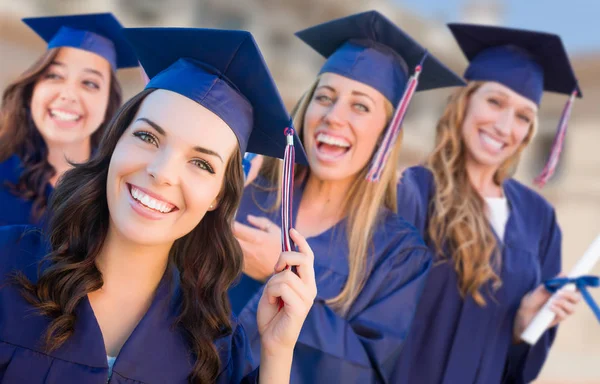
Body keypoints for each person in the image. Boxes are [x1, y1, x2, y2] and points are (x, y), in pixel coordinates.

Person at [0, 26, 316, 383]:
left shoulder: (215, 351)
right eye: (148, 137)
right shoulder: (7, 264)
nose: (162, 172)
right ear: (115, 141)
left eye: (202, 163)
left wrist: (278, 352)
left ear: (218, 197)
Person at [229, 11, 464, 383]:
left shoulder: (397, 253)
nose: (334, 117)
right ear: (306, 109)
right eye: (325, 97)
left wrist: (279, 276)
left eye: (360, 106)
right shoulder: (248, 190)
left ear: (386, 134)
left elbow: (365, 370)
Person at [395, 24, 584, 383]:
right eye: (494, 101)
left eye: (523, 116)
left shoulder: (538, 219)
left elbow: (517, 364)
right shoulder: (413, 191)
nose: (503, 125)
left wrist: (523, 327)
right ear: (465, 101)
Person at [0, 13, 138, 227]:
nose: (68, 94)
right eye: (55, 76)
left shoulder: (115, 196)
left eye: (90, 83)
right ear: (32, 89)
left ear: (108, 106)